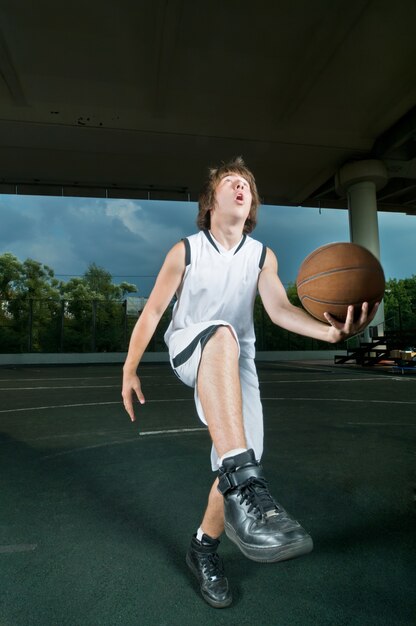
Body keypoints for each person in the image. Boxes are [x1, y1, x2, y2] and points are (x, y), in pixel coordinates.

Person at [121, 157, 378, 609]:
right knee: (221, 334)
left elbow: (279, 309)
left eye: (247, 186)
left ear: (252, 203)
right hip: (191, 345)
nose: (241, 189)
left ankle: (202, 548)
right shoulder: (186, 250)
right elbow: (153, 313)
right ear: (211, 199)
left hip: (238, 359)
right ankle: (244, 487)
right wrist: (129, 368)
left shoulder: (262, 255)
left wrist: (331, 332)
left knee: (241, 460)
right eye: (231, 183)